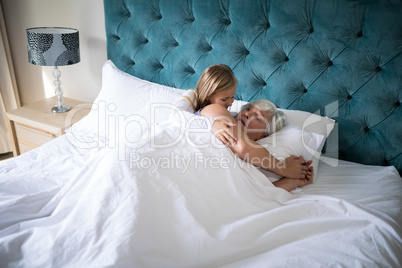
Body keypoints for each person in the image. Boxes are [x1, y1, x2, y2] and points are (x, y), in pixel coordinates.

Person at [200, 100, 314, 192]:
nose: (247, 114)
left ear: (261, 136)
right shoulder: (217, 111)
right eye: (248, 109)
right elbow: (242, 146)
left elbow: (254, 195)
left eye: (257, 117)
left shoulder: (255, 159)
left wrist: (292, 182)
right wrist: (284, 168)